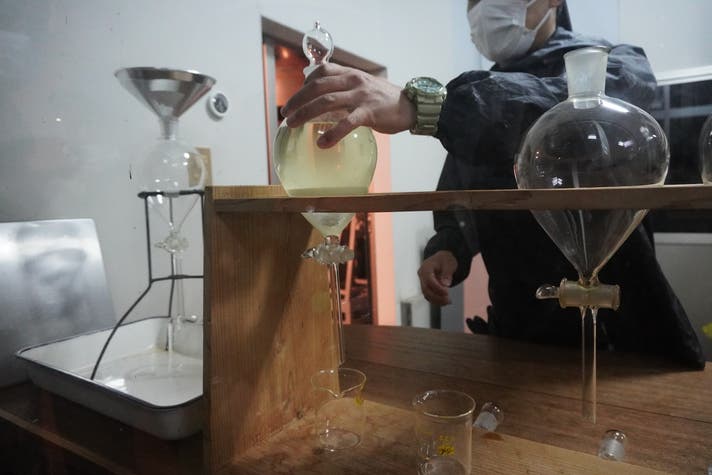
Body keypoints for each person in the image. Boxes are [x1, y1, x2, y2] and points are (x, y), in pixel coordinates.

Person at [281, 0, 706, 368]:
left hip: (619, 334)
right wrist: (449, 247)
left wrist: (427, 105)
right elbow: (460, 193)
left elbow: (571, 109)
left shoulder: (616, 64)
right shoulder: (477, 93)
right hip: (518, 331)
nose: (480, 7)